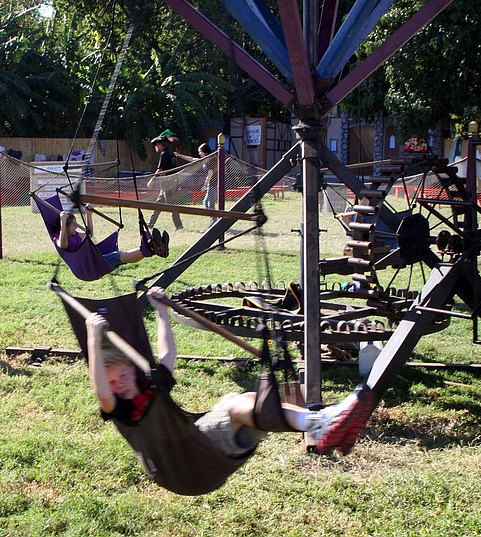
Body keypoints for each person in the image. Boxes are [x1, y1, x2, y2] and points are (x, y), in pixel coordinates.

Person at [86, 287, 375, 480]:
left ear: (131, 370)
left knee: (239, 399)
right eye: (112, 382)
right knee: (239, 404)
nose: (119, 384)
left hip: (199, 449)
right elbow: (101, 390)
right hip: (185, 462)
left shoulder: (151, 386)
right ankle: (321, 422)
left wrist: (160, 311)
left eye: (122, 375)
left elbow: (168, 354)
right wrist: (92, 338)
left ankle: (318, 421)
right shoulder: (120, 408)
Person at [56, 203, 170, 266]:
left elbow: (89, 235)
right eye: (73, 225)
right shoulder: (59, 237)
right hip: (88, 266)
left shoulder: (75, 234)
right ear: (65, 226)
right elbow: (62, 245)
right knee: (117, 256)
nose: (76, 226)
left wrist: (88, 214)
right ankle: (152, 247)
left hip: (93, 258)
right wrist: (63, 224)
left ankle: (154, 248)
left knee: (117, 256)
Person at [147, 135, 195, 230]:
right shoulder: (171, 154)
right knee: (159, 203)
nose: (155, 147)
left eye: (156, 145)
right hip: (172, 181)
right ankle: (151, 223)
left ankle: (179, 225)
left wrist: (152, 180)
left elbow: (160, 169)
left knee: (171, 205)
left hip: (167, 182)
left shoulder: (164, 154)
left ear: (161, 145)